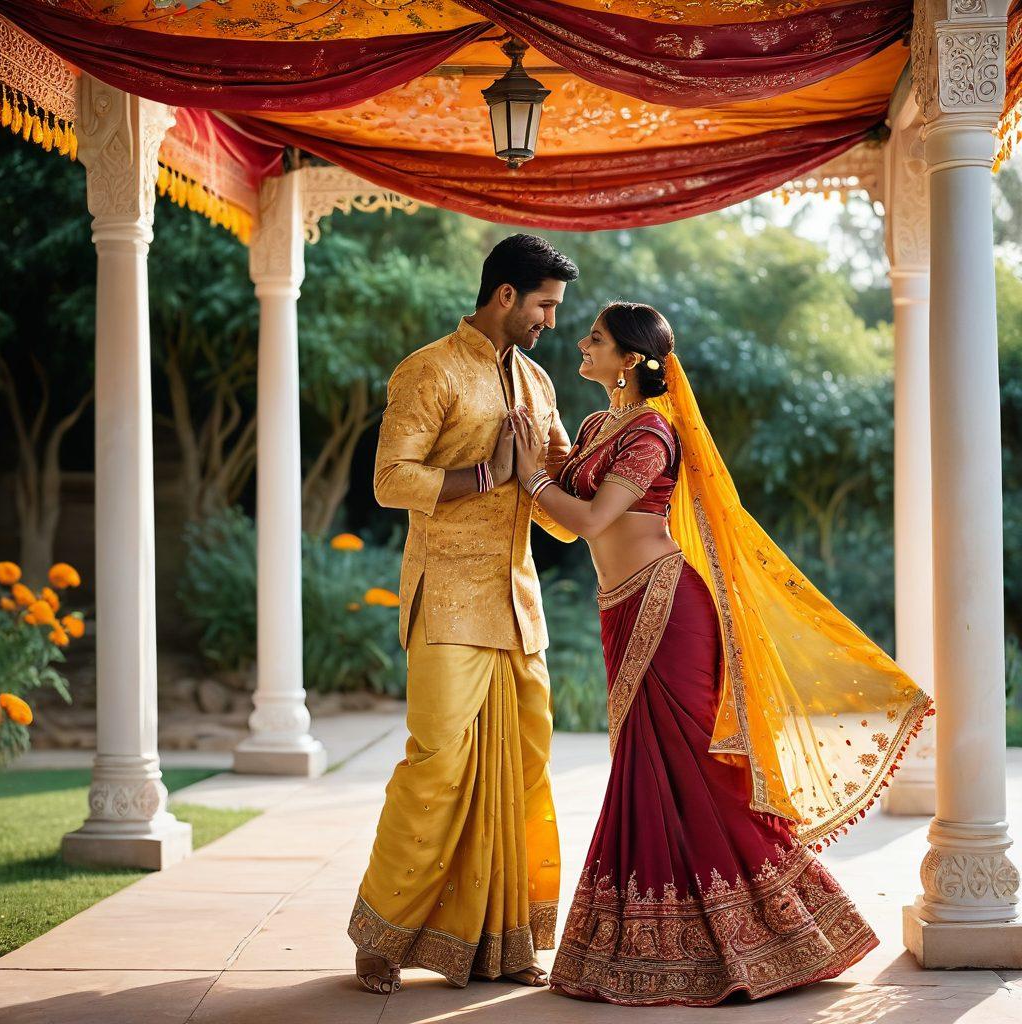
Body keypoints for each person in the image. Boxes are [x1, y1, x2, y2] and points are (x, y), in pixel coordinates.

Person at [510, 301, 933, 1007]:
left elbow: (586, 518)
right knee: (648, 769)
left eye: (597, 338)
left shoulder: (653, 431)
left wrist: (531, 476)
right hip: (621, 608)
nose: (581, 344)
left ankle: (790, 931)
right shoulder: (594, 427)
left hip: (668, 608)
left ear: (633, 359)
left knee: (694, 771)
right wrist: (534, 468)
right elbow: (565, 525)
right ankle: (670, 944)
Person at [349, 235, 580, 994]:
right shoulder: (430, 369)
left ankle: (506, 943)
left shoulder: (540, 383)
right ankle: (381, 936)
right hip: (447, 598)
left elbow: (553, 503)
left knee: (526, 773)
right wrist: (488, 473)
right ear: (506, 296)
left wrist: (600, 489)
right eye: (545, 305)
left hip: (518, 606)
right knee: (437, 766)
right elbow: (389, 480)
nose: (550, 319)